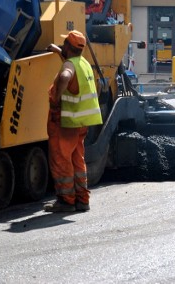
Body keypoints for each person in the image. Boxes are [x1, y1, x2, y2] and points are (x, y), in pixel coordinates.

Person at [44, 30, 102, 213]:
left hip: (66, 121)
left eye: (64, 44)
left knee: (61, 160)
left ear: (68, 46)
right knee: (78, 160)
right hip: (81, 123)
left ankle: (66, 201)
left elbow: (65, 76)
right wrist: (57, 52)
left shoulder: (69, 66)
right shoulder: (83, 63)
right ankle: (82, 200)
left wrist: (56, 98)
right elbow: (72, 66)